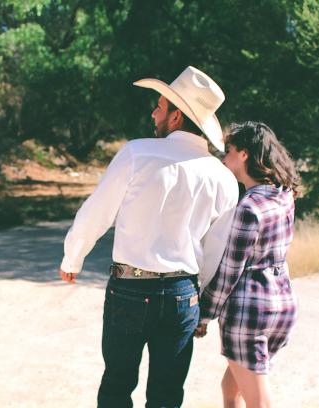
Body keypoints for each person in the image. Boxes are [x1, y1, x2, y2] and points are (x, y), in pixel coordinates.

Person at [58, 66, 239, 408]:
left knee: (116, 387)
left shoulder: (137, 153)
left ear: (176, 117)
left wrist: (73, 257)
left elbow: (98, 211)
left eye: (160, 106)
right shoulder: (223, 178)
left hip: (129, 289)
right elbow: (217, 251)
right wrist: (197, 299)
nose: (153, 111)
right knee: (168, 394)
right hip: (182, 295)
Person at [196, 121, 300, 408]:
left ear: (243, 155)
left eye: (228, 150)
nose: (223, 157)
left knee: (258, 402)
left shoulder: (248, 208)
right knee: (231, 390)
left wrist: (204, 315)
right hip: (282, 305)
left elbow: (231, 272)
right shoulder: (283, 195)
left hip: (249, 313)